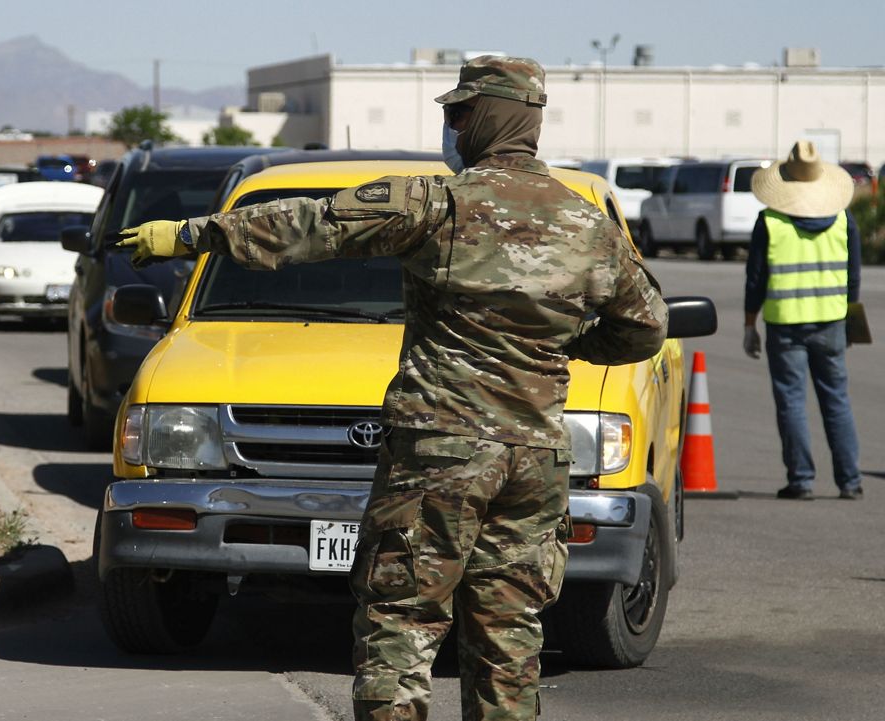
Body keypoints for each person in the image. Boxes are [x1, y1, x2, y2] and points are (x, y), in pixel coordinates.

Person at [119, 55, 667, 721]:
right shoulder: (588, 227)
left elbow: (311, 226)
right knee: (509, 638)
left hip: (441, 452)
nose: (451, 126)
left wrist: (189, 234)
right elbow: (645, 327)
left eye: (458, 113)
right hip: (535, 463)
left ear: (492, 117)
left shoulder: (435, 203)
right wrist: (570, 344)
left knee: (401, 622)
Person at [743, 140, 863, 501]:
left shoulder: (770, 222)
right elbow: (853, 278)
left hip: (786, 325)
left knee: (792, 402)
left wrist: (750, 325)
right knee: (837, 400)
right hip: (831, 322)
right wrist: (851, 320)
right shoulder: (844, 220)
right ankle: (850, 480)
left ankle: (801, 480)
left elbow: (756, 279)